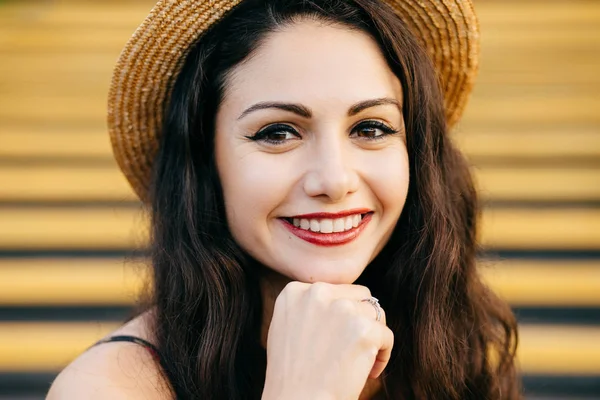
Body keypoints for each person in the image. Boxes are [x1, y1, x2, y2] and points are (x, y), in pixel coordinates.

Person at [47, 0, 520, 398]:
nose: (334, 180)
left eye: (370, 128)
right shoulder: (109, 386)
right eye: (277, 133)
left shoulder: (447, 345)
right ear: (206, 162)